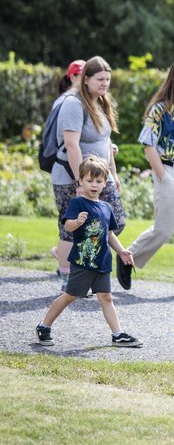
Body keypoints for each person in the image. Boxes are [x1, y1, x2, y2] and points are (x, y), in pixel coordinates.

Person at [116, 57, 174, 299]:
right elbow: (148, 146)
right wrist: (163, 176)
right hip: (169, 172)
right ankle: (128, 257)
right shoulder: (158, 109)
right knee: (164, 229)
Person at [35, 156, 142, 348]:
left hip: (102, 262)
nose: (94, 184)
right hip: (83, 262)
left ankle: (117, 334)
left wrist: (122, 251)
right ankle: (44, 326)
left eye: (99, 181)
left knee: (106, 297)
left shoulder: (106, 207)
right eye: (90, 180)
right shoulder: (78, 203)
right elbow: (67, 226)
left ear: (104, 183)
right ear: (81, 181)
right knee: (70, 296)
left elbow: (109, 234)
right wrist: (77, 222)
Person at [51, 57, 127, 292]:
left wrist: (113, 173)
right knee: (71, 230)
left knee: (116, 221)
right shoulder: (74, 104)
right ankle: (68, 278)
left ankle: (80, 262)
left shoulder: (100, 101)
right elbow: (72, 145)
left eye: (108, 79)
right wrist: (80, 183)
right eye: (100, 79)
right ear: (86, 80)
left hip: (100, 176)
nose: (105, 84)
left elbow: (106, 140)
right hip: (72, 178)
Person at [48, 59, 84, 280]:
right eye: (83, 75)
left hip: (74, 170)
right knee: (69, 222)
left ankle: (62, 257)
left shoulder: (81, 101)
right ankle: (66, 271)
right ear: (73, 77)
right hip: (67, 170)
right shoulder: (67, 101)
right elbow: (66, 141)